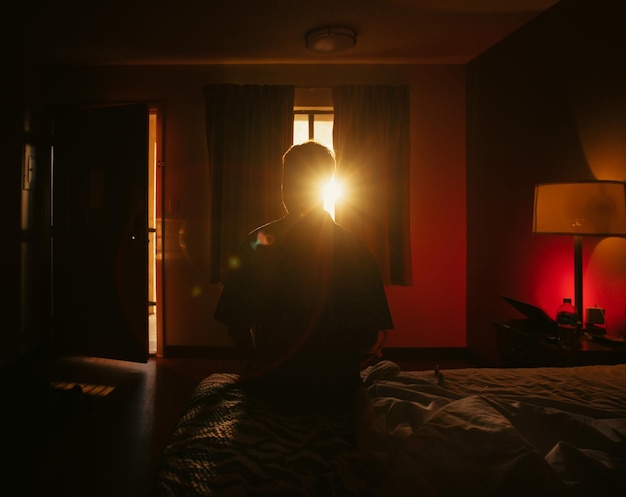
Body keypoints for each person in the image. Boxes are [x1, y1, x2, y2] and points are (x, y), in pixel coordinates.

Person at [214, 141, 393, 409]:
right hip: (336, 389)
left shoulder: (259, 242)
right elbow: (373, 334)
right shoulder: (355, 250)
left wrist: (261, 361)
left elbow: (235, 322)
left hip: (272, 385)